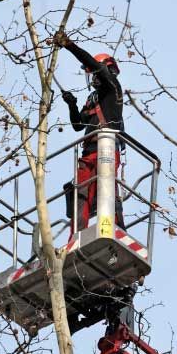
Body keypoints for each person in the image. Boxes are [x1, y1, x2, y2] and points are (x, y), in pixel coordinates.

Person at [53, 31, 125, 233]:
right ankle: (76, 237)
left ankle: (113, 231)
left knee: (107, 193)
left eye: (94, 72)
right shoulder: (93, 100)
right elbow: (78, 124)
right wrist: (72, 105)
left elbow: (92, 63)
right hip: (89, 152)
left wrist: (68, 44)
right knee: (81, 195)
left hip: (107, 149)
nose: (92, 77)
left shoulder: (113, 89)